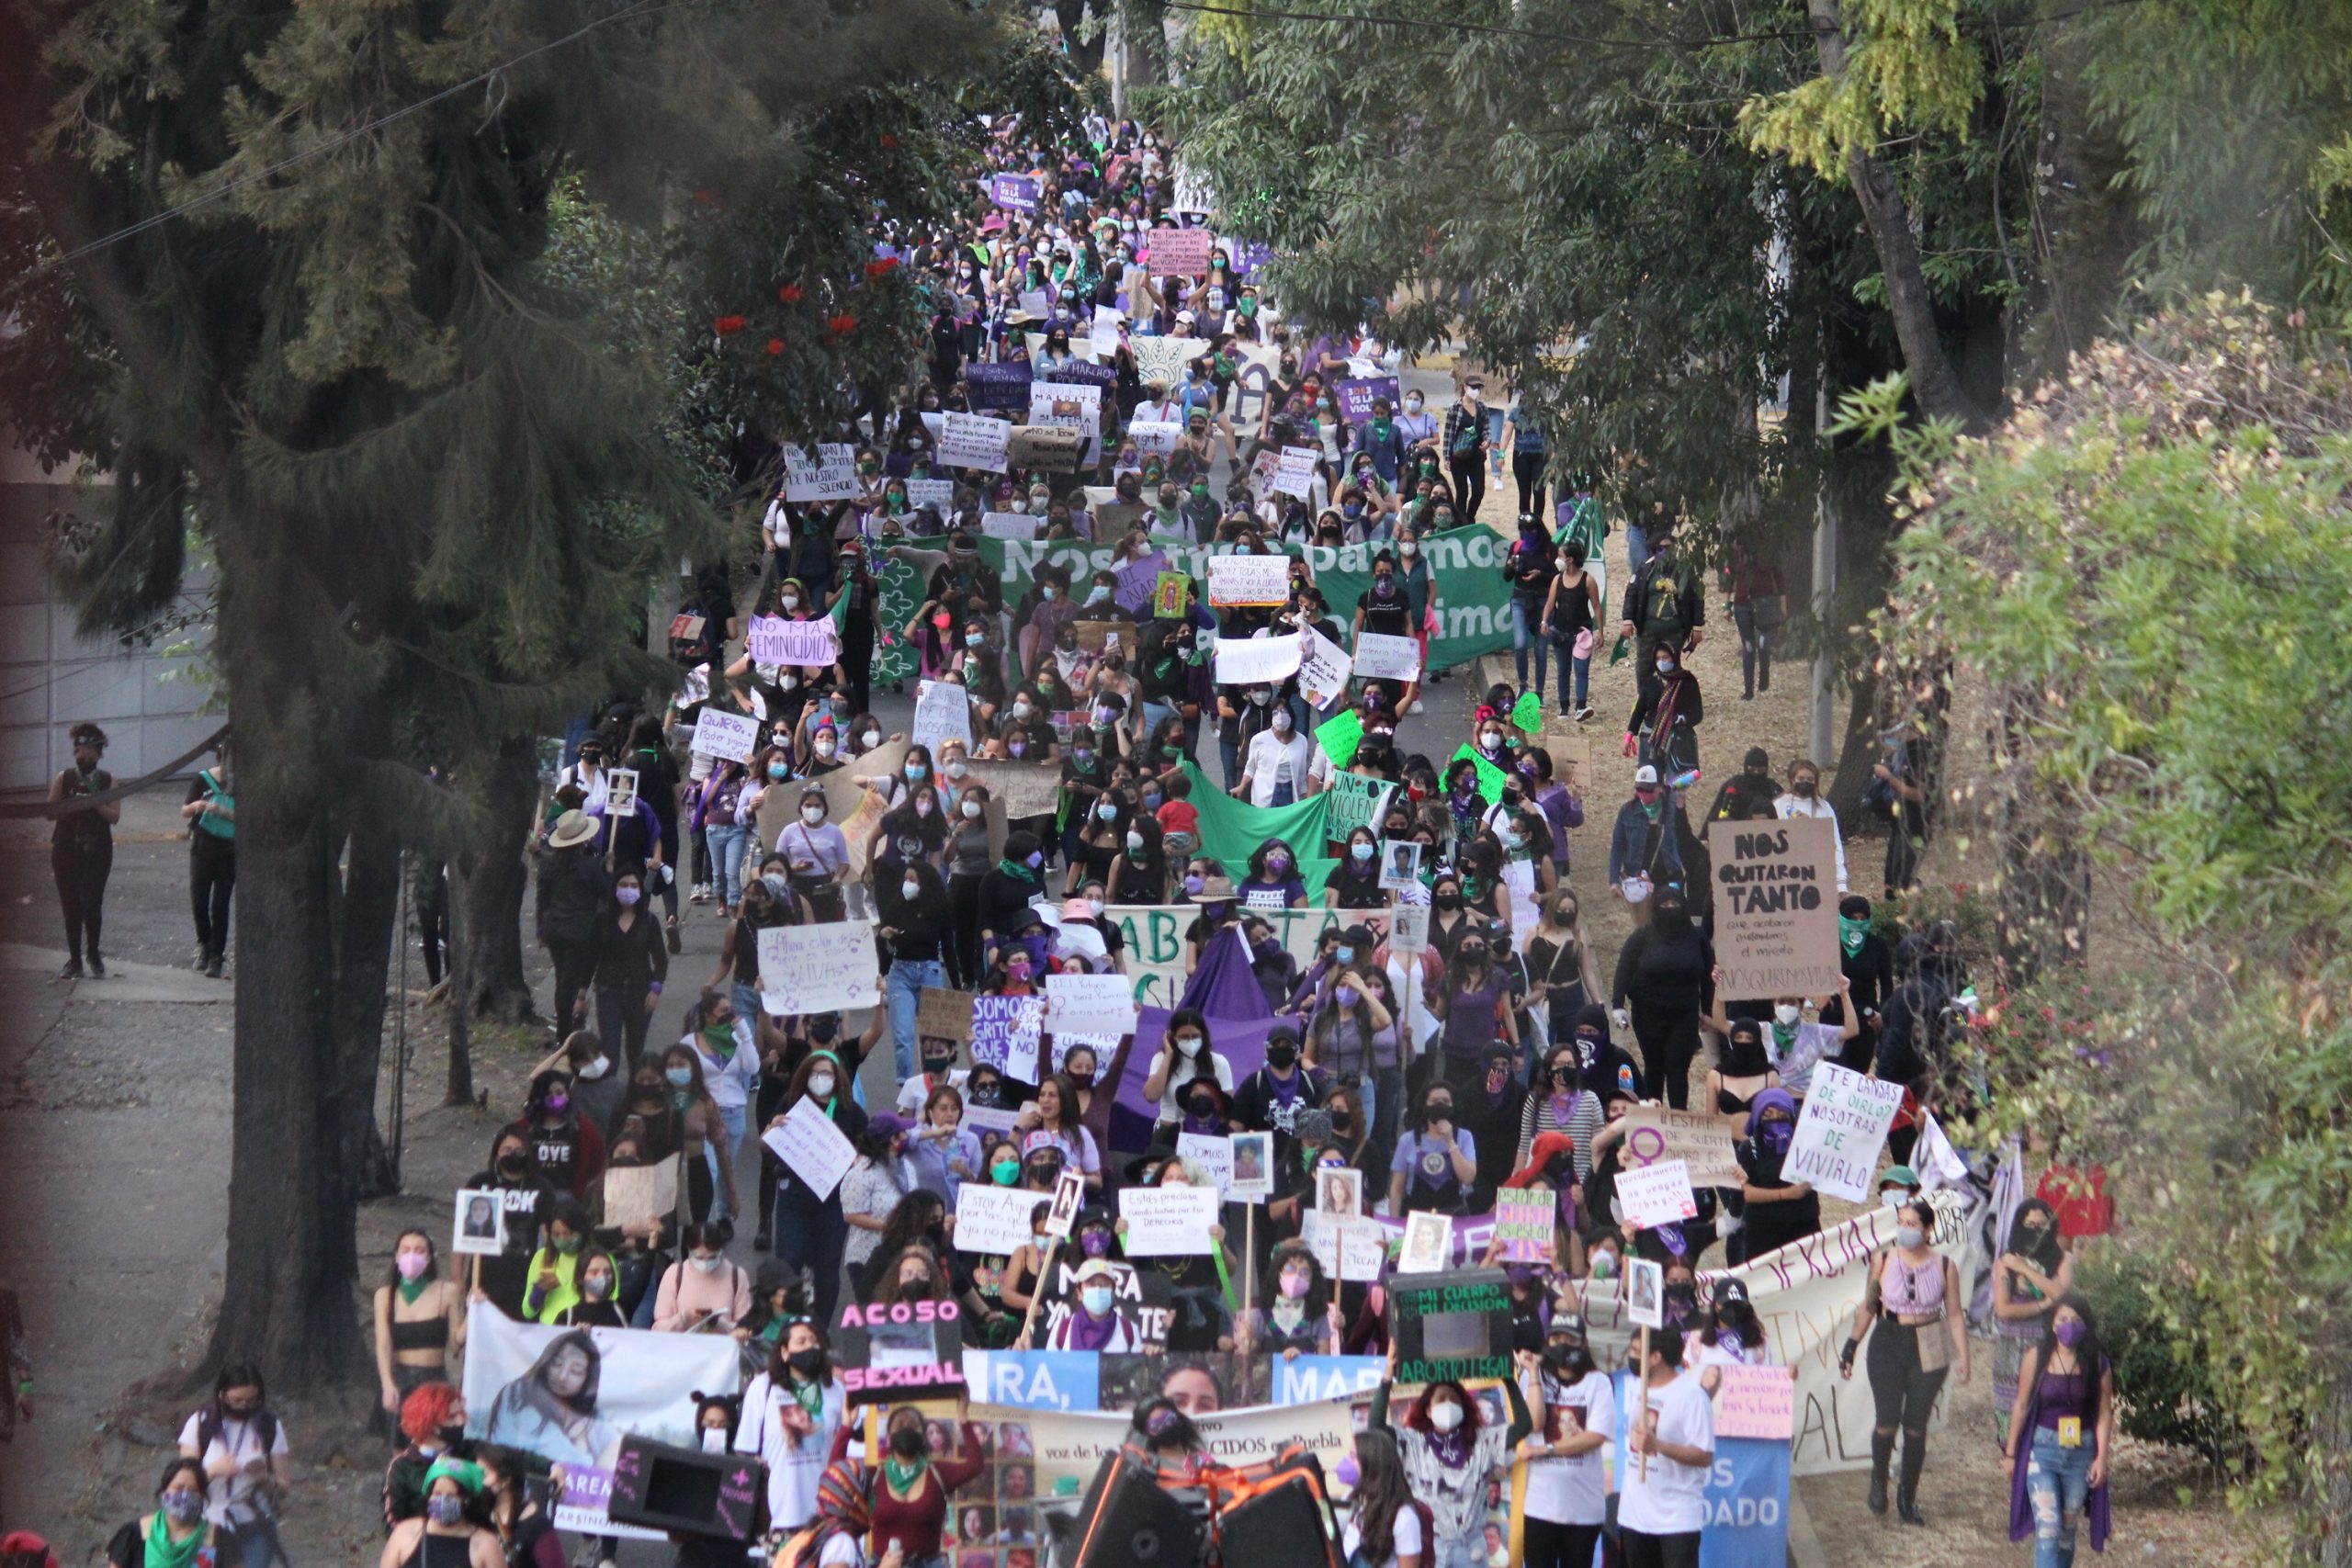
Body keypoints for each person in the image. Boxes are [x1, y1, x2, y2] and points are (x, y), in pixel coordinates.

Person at [1841, 1198, 1970, 1524]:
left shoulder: (1944, 1266)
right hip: (1888, 1337)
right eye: (1901, 1222)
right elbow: (1869, 1305)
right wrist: (1851, 1345)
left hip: (1930, 1339)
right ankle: (1878, 1479)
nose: (1905, 1229)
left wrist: (1964, 1356)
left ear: (1927, 1230)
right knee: (1887, 1419)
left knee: (1916, 1425)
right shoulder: (1883, 1260)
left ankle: (1907, 1497)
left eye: (1912, 1224)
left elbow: (1954, 1314)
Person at [1370, 1343, 1532, 1568]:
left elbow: (1524, 1426)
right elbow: (1376, 1427)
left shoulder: (1483, 1441)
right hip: (1431, 1546)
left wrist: (1508, 1379)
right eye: (1441, 1399)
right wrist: (1387, 1376)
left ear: (1465, 1408)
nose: (1448, 1404)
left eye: (1454, 1400)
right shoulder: (1414, 1442)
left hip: (1471, 1548)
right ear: (1427, 1409)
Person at [2005, 1295, 2117, 1568]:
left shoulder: (2098, 1363)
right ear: (2052, 1324)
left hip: (2081, 1452)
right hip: (2041, 1450)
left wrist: (2101, 1457)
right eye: (2063, 1319)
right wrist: (2010, 1452)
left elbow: (2104, 1412)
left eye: (2076, 1321)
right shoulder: (2036, 1357)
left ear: (2086, 1325)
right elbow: (2021, 1405)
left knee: (2067, 1530)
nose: (2069, 1326)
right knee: (2048, 1527)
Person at [1520, 1316, 1615, 1568]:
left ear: (1583, 1343)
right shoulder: (1532, 1379)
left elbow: (1595, 1436)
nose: (1562, 1345)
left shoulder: (1599, 1382)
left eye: (1569, 1339)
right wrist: (1533, 1374)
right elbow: (1535, 1423)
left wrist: (1547, 1448)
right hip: (1539, 1504)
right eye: (1556, 1339)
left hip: (1583, 1508)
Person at [735, 1323, 846, 1538]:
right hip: (779, 1517)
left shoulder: (835, 1389)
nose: (809, 1346)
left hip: (827, 1516)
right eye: (801, 1341)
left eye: (814, 1341)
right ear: (785, 1352)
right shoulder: (762, 1388)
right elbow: (746, 1450)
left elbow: (847, 1445)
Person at [177, 1364, 291, 1568]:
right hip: (208, 1525)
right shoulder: (200, 1424)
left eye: (251, 1400)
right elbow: (183, 1484)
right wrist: (212, 1471)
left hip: (255, 1524)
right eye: (237, 1400)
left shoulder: (269, 1426)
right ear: (221, 1395)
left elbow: (284, 1487)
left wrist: (265, 1477)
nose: (244, 1406)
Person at [1618, 1329, 1714, 1568]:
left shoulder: (1691, 1396)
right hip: (1634, 1517)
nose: (1631, 1356)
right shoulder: (1635, 1388)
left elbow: (1704, 1455)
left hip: (1676, 1520)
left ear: (1656, 1357)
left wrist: (1658, 1445)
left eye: (1637, 1351)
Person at [1611, 890, 1712, 1109]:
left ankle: (1678, 1122)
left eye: (1675, 903)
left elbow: (1707, 975)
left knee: (1678, 1069)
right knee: (1654, 1067)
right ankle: (1651, 1122)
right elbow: (1624, 969)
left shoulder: (1697, 936)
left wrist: (1708, 1011)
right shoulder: (1642, 936)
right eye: (1664, 904)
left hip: (1685, 1014)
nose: (1670, 908)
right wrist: (1617, 1005)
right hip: (1648, 1014)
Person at [1992, 1197, 2076, 1451]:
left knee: (2055, 1398)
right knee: (2011, 1405)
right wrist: (2042, 1305)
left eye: (2041, 1226)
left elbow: (2060, 1293)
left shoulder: (2064, 1259)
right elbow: (2004, 1309)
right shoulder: (2006, 1262)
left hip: (2051, 1341)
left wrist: (2026, 1270)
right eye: (2030, 1225)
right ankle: (2012, 1459)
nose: (2036, 1232)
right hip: (2011, 1344)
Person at [479, 1331, 618, 1466]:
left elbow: (617, 1446)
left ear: (588, 1380)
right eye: (557, 1364)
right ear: (546, 1362)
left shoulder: (581, 1406)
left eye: (576, 1372)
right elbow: (572, 1463)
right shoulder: (519, 1394)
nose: (562, 1376)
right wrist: (581, 1442)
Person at [49, 720, 120, 978]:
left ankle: (93, 953)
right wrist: (72, 805)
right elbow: (50, 812)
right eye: (81, 753)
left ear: (99, 755)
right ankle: (75, 959)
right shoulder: (64, 777)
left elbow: (114, 816)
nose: (85, 757)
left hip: (98, 848)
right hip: (66, 847)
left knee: (92, 900)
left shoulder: (108, 780)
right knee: (70, 904)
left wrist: (95, 803)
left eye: (91, 754)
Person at [373, 1230, 462, 1432]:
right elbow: (383, 1344)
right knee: (403, 1451)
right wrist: (387, 1384)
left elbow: (456, 1344)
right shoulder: (384, 1296)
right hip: (401, 1381)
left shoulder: (447, 1291)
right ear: (397, 1256)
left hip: (435, 1381)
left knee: (439, 1445)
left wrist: (474, 1311)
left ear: (429, 1257)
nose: (411, 1256)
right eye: (405, 1250)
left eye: (419, 1250)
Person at [535, 809, 608, 1034]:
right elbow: (606, 893)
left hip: (554, 927)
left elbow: (541, 900)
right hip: (579, 930)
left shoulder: (549, 866)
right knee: (570, 981)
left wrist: (540, 930)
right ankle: (565, 1031)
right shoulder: (590, 866)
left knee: (562, 978)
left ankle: (564, 1028)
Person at [587, 864, 669, 1069]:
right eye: (623, 885)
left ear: (640, 890)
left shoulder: (649, 921)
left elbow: (660, 960)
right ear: (615, 888)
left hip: (640, 991)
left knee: (636, 1051)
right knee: (610, 1050)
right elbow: (590, 957)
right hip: (608, 989)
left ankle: (635, 1096)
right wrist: (582, 993)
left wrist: (655, 990)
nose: (628, 889)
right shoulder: (602, 920)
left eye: (633, 886)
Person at [376, 1458, 501, 1568]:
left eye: (451, 1496)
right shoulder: (405, 1535)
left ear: (466, 1501)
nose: (442, 1500)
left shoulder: (485, 1545)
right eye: (437, 1494)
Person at [180, 745, 236, 976]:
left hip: (229, 849)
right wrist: (198, 806)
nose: (230, 768)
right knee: (199, 900)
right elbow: (185, 810)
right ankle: (204, 944)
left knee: (220, 904)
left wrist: (224, 812)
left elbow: (249, 817)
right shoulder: (203, 779)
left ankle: (216, 956)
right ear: (220, 759)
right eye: (227, 762)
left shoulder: (242, 784)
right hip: (203, 847)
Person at [382, 1383, 468, 1530]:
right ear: (431, 1423)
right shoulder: (402, 1467)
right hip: (423, 1547)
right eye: (453, 1416)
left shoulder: (469, 1452)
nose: (461, 1421)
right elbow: (392, 1523)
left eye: (461, 1414)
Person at [107, 1458, 215, 1568]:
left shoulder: (218, 1540)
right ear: (165, 1490)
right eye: (179, 1488)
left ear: (202, 1495)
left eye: (193, 1490)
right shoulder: (133, 1535)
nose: (185, 1495)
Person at [1340, 1429, 1424, 1568]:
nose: (1346, 1461)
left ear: (1372, 1462)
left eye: (1353, 1456)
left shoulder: (1403, 1517)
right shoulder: (1349, 1498)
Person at [652, 1222, 753, 1334]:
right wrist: (682, 1318)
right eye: (699, 1258)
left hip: (721, 1349)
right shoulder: (674, 1274)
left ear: (721, 1251)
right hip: (681, 1348)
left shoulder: (737, 1276)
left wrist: (719, 1324)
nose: (705, 1263)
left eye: (712, 1257)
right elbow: (658, 1329)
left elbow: (744, 1329)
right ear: (689, 1251)